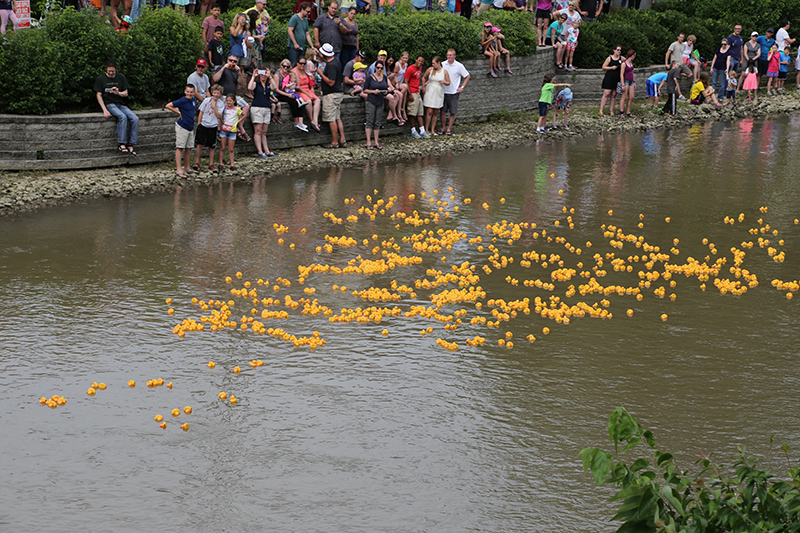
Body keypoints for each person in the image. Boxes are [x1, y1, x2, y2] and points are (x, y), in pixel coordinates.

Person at [94, 60, 139, 155]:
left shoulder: (121, 78)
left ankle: (131, 143)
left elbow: (125, 93)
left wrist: (118, 93)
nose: (111, 73)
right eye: (109, 71)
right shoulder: (101, 79)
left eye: (113, 71)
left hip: (120, 104)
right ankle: (121, 143)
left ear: (116, 70)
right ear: (106, 69)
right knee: (122, 117)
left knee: (135, 118)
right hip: (109, 104)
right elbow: (98, 95)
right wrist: (104, 110)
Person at [211, 54, 252, 141]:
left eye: (235, 61)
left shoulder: (235, 71)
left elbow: (241, 83)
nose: (232, 63)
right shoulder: (221, 68)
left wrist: (239, 72)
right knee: (222, 109)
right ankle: (220, 131)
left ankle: (239, 126)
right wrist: (223, 68)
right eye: (231, 60)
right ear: (227, 60)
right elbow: (215, 79)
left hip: (233, 97)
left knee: (246, 106)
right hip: (223, 96)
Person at [165, 84, 199, 178]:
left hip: (190, 127)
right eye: (188, 91)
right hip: (182, 126)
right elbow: (168, 105)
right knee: (180, 147)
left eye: (191, 92)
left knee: (189, 147)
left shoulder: (193, 100)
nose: (189, 93)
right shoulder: (182, 100)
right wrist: (178, 112)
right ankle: (178, 169)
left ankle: (187, 168)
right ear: (185, 91)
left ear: (194, 92)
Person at [318, 43, 347, 148]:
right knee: (337, 117)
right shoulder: (336, 61)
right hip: (338, 93)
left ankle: (334, 142)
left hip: (331, 94)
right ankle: (342, 139)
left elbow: (331, 82)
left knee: (331, 119)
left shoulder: (331, 65)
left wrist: (320, 73)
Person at [193, 84, 225, 171]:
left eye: (218, 93)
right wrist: (199, 123)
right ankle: (197, 162)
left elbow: (219, 116)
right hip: (204, 125)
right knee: (200, 144)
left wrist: (214, 106)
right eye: (215, 92)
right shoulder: (206, 100)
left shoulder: (221, 103)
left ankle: (211, 164)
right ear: (212, 93)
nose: (216, 94)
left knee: (212, 146)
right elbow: (201, 111)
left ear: (220, 94)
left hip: (213, 126)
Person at [247, 68, 277, 159]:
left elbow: (274, 88)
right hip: (257, 108)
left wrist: (270, 76)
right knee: (258, 130)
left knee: (264, 132)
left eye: (264, 73)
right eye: (262, 73)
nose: (263, 75)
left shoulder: (268, 84)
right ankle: (260, 151)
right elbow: (250, 87)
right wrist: (253, 76)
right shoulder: (257, 84)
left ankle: (266, 150)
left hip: (266, 108)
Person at [363, 60, 393, 149]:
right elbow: (365, 90)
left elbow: (386, 87)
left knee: (377, 122)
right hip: (371, 100)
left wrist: (387, 91)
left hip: (380, 101)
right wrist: (373, 91)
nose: (379, 69)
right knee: (369, 121)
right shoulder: (370, 77)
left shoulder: (384, 77)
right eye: (378, 67)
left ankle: (376, 142)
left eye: (381, 68)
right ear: (375, 68)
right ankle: (368, 142)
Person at [440, 49, 469, 135]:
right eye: (448, 55)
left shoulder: (459, 66)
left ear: (454, 56)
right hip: (443, 91)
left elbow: (467, 76)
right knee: (442, 111)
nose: (449, 57)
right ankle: (443, 128)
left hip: (453, 92)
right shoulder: (443, 64)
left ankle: (449, 128)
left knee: (453, 111)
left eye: (451, 55)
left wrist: (462, 87)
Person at [273, 60, 308, 131]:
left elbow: (296, 83)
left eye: (287, 67)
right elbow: (276, 89)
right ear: (281, 65)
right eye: (284, 66)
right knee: (293, 101)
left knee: (301, 101)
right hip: (279, 94)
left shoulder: (288, 75)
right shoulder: (277, 75)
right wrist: (287, 95)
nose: (285, 68)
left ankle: (300, 122)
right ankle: (296, 121)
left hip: (288, 92)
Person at [422, 55, 450, 137]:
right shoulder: (430, 70)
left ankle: (433, 129)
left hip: (439, 91)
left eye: (434, 63)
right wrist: (423, 86)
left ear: (439, 63)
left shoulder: (444, 71)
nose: (433, 65)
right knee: (429, 111)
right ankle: (426, 129)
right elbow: (424, 77)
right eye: (432, 63)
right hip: (430, 90)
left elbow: (448, 82)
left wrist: (443, 82)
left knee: (435, 111)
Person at [292, 57, 322, 131]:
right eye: (301, 63)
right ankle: (312, 120)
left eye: (304, 63)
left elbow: (310, 82)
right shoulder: (295, 71)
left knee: (318, 100)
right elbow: (298, 87)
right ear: (297, 63)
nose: (302, 65)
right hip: (300, 91)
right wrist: (308, 94)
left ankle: (315, 120)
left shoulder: (305, 70)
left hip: (307, 89)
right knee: (308, 101)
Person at [405, 55, 427, 138]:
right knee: (412, 112)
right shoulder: (410, 69)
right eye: (419, 61)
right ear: (416, 60)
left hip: (417, 91)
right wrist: (409, 94)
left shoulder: (420, 68)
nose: (420, 63)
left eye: (422, 62)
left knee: (420, 112)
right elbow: (406, 81)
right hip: (412, 91)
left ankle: (422, 130)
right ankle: (413, 130)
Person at [220, 94, 243, 170]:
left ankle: (232, 164)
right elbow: (220, 115)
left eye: (230, 101)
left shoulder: (237, 109)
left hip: (232, 130)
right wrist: (222, 121)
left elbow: (244, 115)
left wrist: (237, 122)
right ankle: (220, 163)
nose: (228, 102)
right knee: (222, 147)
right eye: (227, 101)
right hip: (224, 129)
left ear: (234, 101)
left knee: (231, 149)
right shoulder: (225, 108)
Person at [288, 2, 314, 66]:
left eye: (310, 12)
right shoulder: (294, 18)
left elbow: (307, 34)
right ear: (302, 9)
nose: (309, 13)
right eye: (307, 12)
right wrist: (295, 43)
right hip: (293, 47)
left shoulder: (305, 20)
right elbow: (290, 31)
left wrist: (312, 46)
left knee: (301, 65)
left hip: (302, 47)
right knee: (293, 64)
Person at [599, 45, 622, 117]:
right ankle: (601, 110)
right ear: (614, 50)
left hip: (617, 78)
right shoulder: (609, 58)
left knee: (614, 94)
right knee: (606, 93)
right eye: (618, 50)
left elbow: (627, 61)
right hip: (609, 77)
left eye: (620, 50)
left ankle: (611, 110)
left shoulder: (621, 58)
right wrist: (612, 67)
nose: (619, 51)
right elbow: (603, 67)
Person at [618, 49, 635, 117]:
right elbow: (621, 74)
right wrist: (623, 84)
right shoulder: (624, 64)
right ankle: (621, 112)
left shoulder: (631, 63)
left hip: (631, 81)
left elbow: (632, 72)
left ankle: (628, 112)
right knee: (624, 96)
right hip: (626, 81)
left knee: (631, 97)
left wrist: (634, 81)